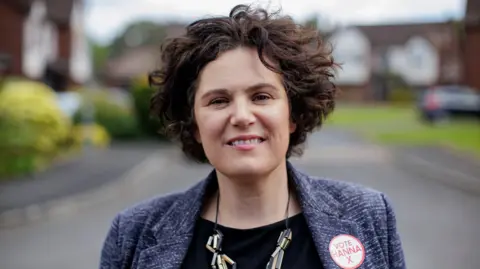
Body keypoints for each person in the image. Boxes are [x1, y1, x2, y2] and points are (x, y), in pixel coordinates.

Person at [99, 4, 406, 269]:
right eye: (218, 100)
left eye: (261, 96)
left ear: (293, 115)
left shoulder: (368, 215)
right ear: (193, 124)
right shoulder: (134, 232)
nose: (242, 116)